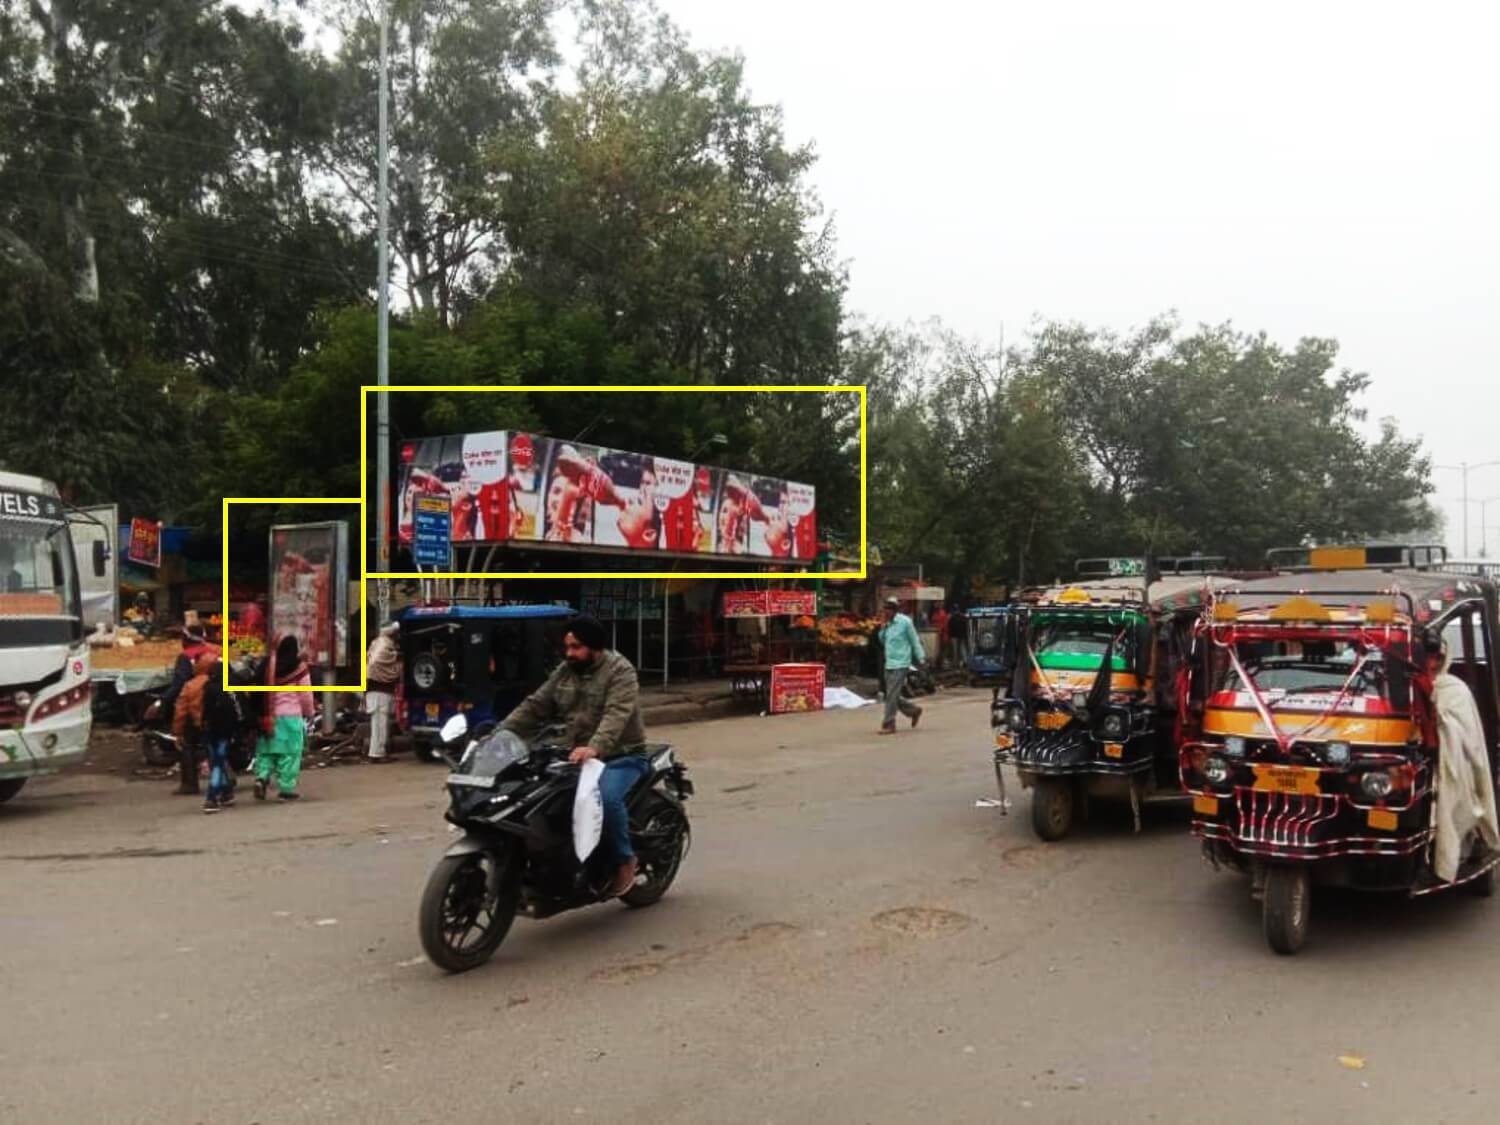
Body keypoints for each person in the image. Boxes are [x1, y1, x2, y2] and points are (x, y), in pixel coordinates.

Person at [501, 614, 648, 898]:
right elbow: (535, 705)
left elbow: (616, 714)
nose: (570, 653)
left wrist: (595, 747)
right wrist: (499, 733)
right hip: (574, 753)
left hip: (621, 755)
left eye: (577, 647)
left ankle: (625, 859)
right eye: (567, 647)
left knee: (605, 799)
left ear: (594, 648)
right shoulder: (565, 671)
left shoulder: (620, 671)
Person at [254, 635, 314, 802]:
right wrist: (309, 712)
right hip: (291, 718)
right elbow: (305, 696)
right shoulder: (299, 668)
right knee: (290, 754)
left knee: (267, 751)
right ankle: (286, 790)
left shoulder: (267, 665)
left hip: (267, 717)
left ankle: (262, 777)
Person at [877, 596, 925, 734]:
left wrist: (921, 658)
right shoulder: (887, 624)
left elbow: (914, 640)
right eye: (884, 610)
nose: (886, 613)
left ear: (894, 611)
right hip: (889, 663)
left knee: (891, 694)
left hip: (901, 663)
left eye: (888, 610)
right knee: (890, 694)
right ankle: (914, 710)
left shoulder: (905, 622)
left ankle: (889, 724)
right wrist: (883, 628)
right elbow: (882, 640)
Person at [365, 622, 402, 763]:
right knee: (380, 724)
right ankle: (378, 754)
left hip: (377, 690)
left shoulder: (378, 643)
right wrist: (396, 658)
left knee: (379, 724)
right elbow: (376, 661)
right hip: (379, 691)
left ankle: (377, 752)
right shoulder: (384, 645)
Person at [931, 604, 950, 670]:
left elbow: (944, 625)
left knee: (941, 650)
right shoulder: (936, 613)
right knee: (940, 651)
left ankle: (940, 664)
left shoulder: (942, 614)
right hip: (939, 634)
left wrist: (940, 630)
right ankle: (939, 664)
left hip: (942, 635)